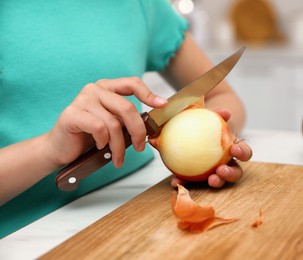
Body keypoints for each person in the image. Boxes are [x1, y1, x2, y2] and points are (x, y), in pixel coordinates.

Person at [0, 0, 252, 237]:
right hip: (29, 238)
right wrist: (48, 150)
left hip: (138, 210)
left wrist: (209, 151)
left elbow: (223, 96)